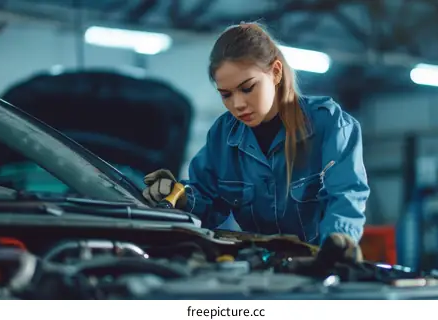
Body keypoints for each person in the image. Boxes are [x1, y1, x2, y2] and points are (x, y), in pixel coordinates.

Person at [142, 22, 370, 247]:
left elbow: (345, 197)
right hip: (256, 268)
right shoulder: (222, 137)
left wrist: (338, 244)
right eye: (226, 94)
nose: (237, 104)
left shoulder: (330, 126)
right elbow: (207, 202)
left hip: (319, 269)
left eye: (247, 88)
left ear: (276, 72)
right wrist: (180, 197)